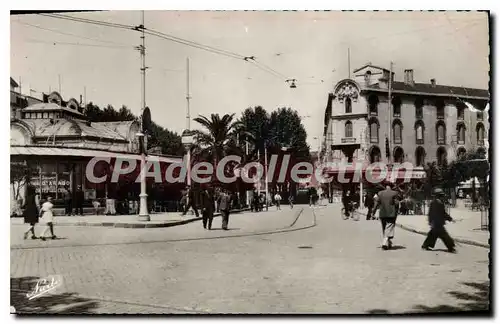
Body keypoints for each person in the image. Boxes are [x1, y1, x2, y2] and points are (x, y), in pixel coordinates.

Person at [422, 188, 456, 253]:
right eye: (441, 195)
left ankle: (425, 245)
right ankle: (451, 247)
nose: (442, 197)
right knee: (444, 236)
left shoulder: (433, 202)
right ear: (439, 196)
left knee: (433, 234)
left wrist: (430, 221)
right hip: (438, 223)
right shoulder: (439, 203)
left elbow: (430, 213)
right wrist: (450, 219)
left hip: (435, 222)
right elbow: (443, 213)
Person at [377, 183, 400, 250]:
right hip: (391, 213)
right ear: (391, 187)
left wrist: (373, 212)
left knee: (385, 229)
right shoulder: (395, 193)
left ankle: (389, 242)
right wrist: (397, 211)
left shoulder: (380, 193)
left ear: (385, 186)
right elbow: (396, 203)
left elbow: (376, 202)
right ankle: (384, 243)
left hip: (382, 214)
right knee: (389, 228)